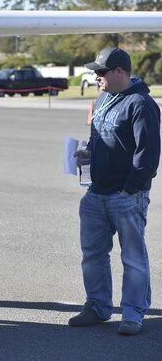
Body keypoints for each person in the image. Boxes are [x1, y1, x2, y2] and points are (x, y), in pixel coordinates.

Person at [69, 47, 160, 336]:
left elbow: (147, 156)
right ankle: (97, 306)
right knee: (93, 253)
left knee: (133, 257)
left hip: (126, 195)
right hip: (96, 193)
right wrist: (87, 155)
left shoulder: (141, 104)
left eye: (100, 72)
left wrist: (129, 190)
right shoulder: (104, 98)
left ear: (120, 72)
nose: (95, 77)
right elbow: (100, 138)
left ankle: (133, 313)